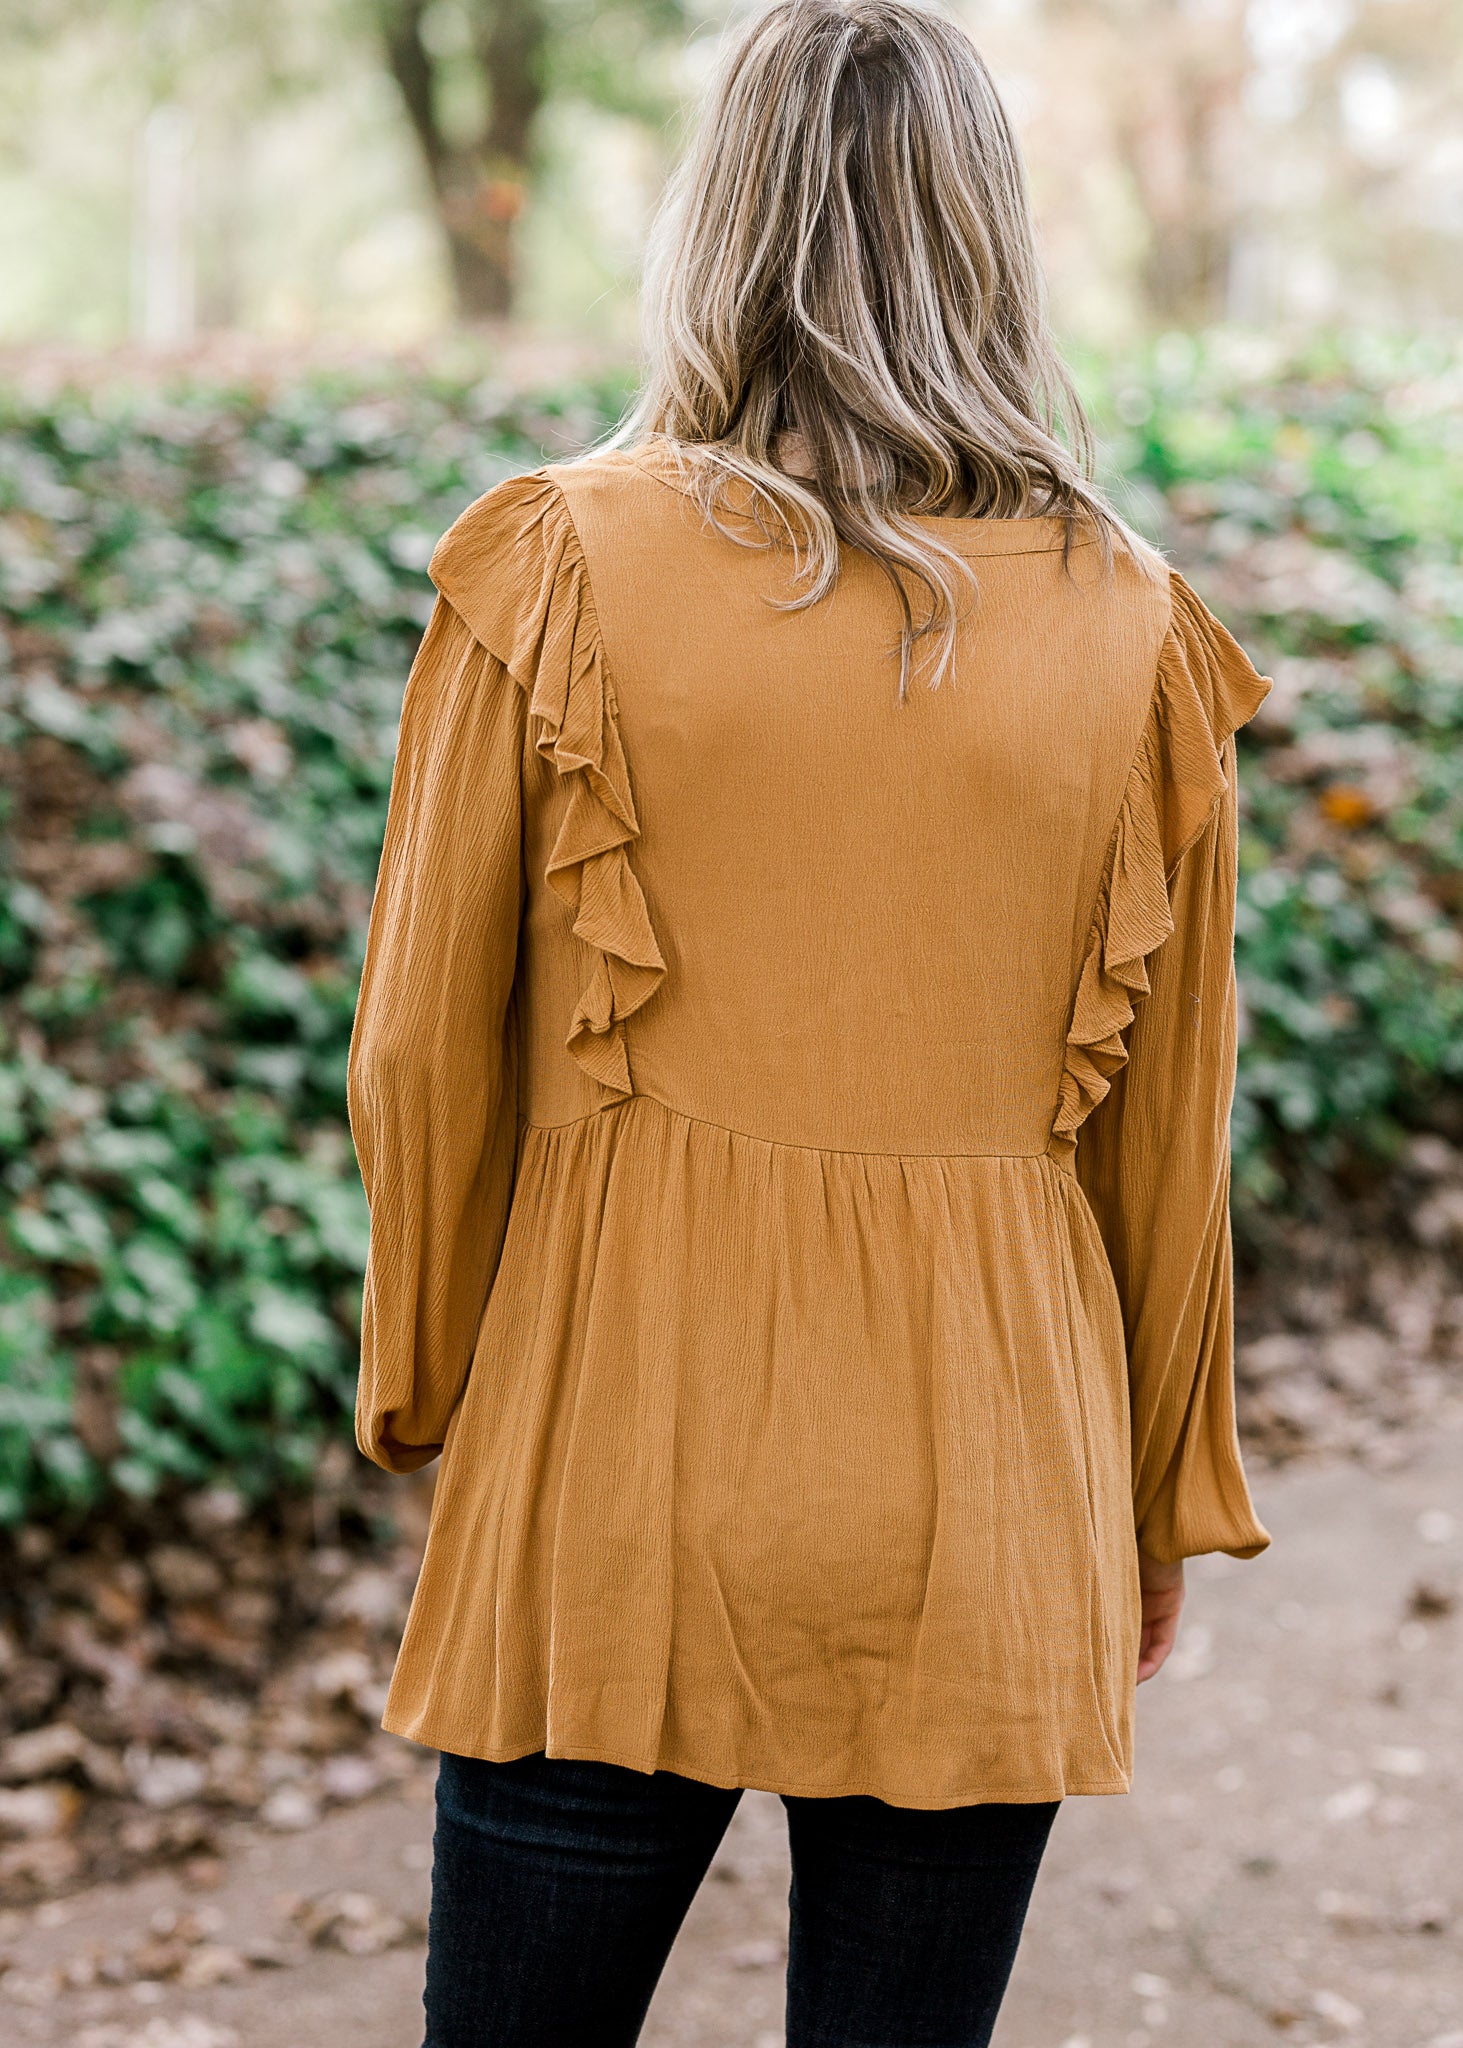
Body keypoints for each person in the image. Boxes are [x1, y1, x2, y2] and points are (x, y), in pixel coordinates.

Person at [347, 1, 1274, 2041]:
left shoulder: (556, 564)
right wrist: (1145, 1491)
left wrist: (430, 1379)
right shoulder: (1138, 632)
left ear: (714, 222)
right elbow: (1169, 1130)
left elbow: (419, 1050)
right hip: (989, 1474)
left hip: (615, 1452)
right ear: (994, 238)